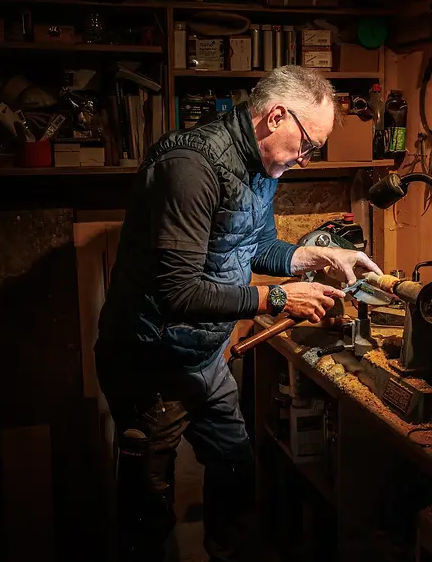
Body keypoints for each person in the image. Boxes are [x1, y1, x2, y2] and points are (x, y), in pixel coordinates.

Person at [95, 65, 383, 562]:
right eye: (308, 145)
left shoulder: (262, 165)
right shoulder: (191, 167)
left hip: (205, 358)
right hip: (151, 365)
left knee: (235, 470)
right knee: (149, 509)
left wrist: (320, 257)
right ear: (275, 116)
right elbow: (178, 292)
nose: (305, 158)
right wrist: (276, 299)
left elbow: (256, 246)